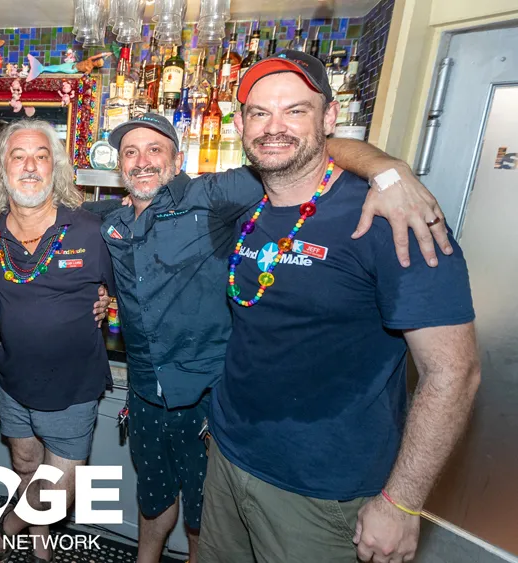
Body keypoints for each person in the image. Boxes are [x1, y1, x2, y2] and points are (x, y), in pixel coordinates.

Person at [98, 103, 453, 559]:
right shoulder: (111, 222)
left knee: (205, 516)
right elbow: (58, 215)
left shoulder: (213, 195)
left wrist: (387, 169)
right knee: (153, 498)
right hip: (146, 392)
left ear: (178, 159)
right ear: (120, 165)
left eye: (154, 149)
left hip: (209, 395)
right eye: (130, 152)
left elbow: (305, 155)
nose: (142, 161)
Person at [199, 50, 480, 563]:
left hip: (322, 492)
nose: (274, 127)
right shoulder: (248, 204)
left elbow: (454, 372)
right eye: (260, 112)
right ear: (240, 125)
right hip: (230, 460)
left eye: (295, 110)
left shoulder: (392, 218)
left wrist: (402, 503)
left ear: (329, 117)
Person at [0, 120, 115, 563]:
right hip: (14, 379)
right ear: (1, 170)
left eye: (41, 156)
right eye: (18, 156)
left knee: (57, 490)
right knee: (24, 466)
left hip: (73, 386)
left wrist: (107, 301)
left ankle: (5, 528)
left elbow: (126, 289)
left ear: (56, 168)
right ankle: (40, 544)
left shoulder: (90, 231)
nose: (30, 166)